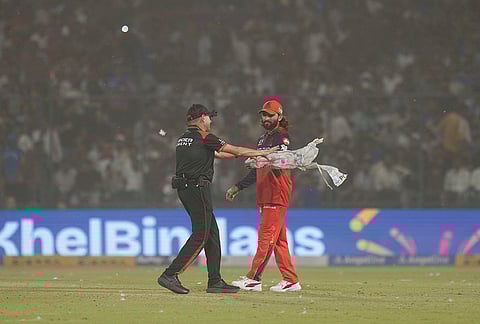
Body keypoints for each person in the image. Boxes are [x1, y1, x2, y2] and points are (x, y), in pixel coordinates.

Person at [157, 104, 279, 294]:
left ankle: (215, 281)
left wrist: (247, 158)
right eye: (209, 117)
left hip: (185, 188)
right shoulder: (206, 137)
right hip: (198, 189)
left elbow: (219, 154)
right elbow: (234, 149)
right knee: (202, 234)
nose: (211, 121)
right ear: (202, 118)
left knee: (212, 234)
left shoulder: (184, 139)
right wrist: (262, 153)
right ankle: (170, 274)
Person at [227, 100, 301, 292]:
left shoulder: (282, 137)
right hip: (265, 194)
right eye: (264, 115)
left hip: (276, 193)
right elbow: (257, 170)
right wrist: (238, 186)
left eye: (270, 115)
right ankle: (290, 280)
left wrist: (261, 161)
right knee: (278, 241)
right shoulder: (262, 140)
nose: (266, 118)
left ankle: (254, 278)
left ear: (279, 116)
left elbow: (284, 162)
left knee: (266, 238)